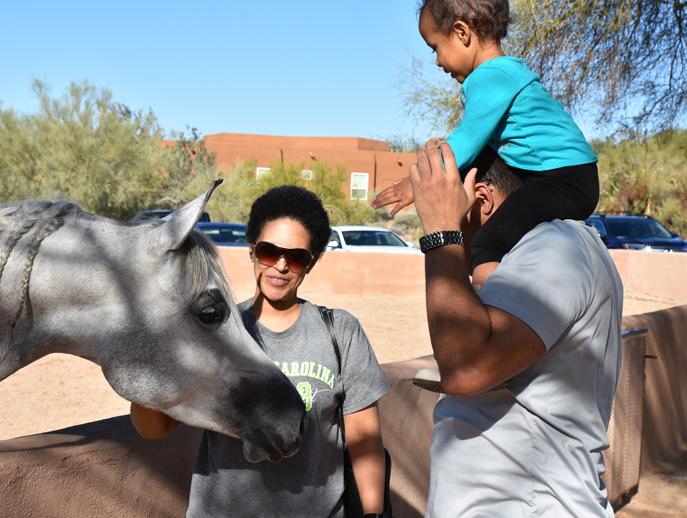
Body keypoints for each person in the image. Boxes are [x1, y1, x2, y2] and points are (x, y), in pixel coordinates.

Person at [131, 185, 390, 518]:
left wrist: (374, 513)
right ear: (252, 249)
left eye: (296, 257)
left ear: (310, 263)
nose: (281, 266)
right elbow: (154, 429)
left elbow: (364, 436)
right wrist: (152, 352)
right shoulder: (213, 329)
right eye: (269, 251)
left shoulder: (341, 331)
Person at [411, 141, 622, 517]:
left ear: (481, 199)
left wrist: (442, 232)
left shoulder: (555, 247)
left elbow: (466, 368)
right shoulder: (537, 254)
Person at [372, 0, 599, 287]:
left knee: (486, 244)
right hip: (568, 178)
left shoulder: (491, 77)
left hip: (564, 181)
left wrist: (418, 181)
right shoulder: (502, 73)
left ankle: (487, 308)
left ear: (462, 32)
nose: (437, 61)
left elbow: (466, 141)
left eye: (435, 48)